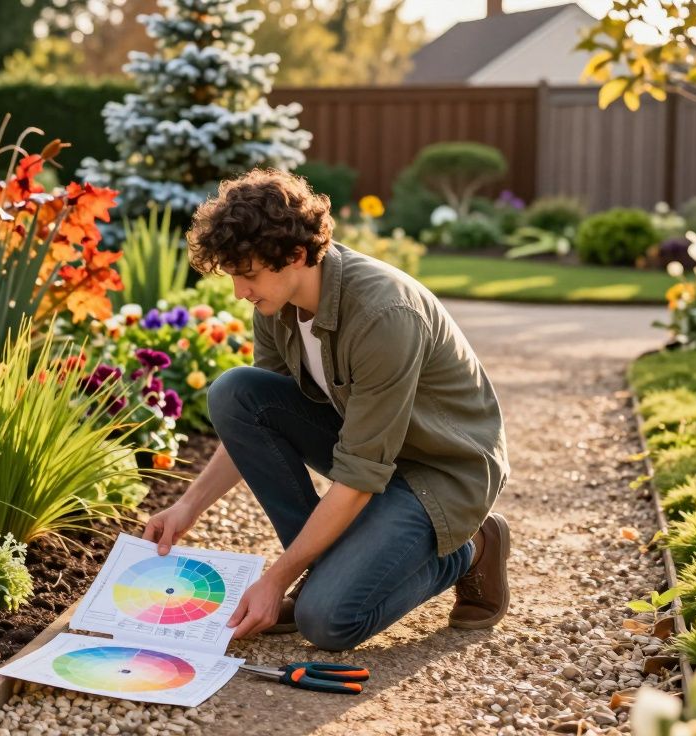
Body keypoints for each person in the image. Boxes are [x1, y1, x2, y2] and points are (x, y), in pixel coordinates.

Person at [142, 169, 511, 650]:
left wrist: (276, 577)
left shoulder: (384, 315)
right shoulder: (277, 304)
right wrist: (187, 507)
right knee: (235, 391)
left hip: (440, 470)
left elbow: (360, 474)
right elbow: (256, 416)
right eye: (234, 276)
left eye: (248, 274)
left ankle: (469, 548)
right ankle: (328, 568)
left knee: (327, 622)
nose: (239, 291)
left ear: (296, 255)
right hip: (373, 449)